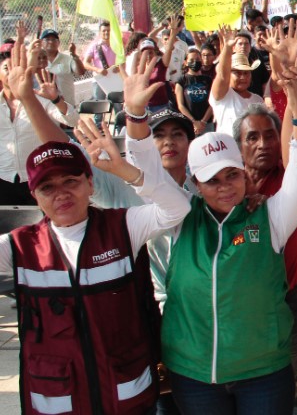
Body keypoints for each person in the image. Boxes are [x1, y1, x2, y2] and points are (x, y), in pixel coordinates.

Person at [0, 35, 191, 415]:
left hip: (191, 324)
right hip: (135, 336)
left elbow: (175, 207)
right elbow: (63, 158)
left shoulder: (209, 188)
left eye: (177, 134)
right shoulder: (119, 189)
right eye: (158, 135)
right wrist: (29, 99)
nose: (167, 143)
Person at [159, 51, 297, 414]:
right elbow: (149, 182)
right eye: (212, 180)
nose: (224, 186)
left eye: (231, 175)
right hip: (197, 374)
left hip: (264, 366)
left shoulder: (270, 212)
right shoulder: (182, 214)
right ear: (196, 185)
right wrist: (135, 121)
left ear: (242, 173)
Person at [233, 103, 297, 415]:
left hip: (290, 298)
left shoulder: (289, 176)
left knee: (293, 382)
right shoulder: (224, 186)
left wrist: (294, 95)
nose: (263, 144)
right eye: (252, 137)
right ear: (239, 145)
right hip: (241, 307)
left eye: (269, 136)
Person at [0, 23, 80, 204]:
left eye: (15, 67)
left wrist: (56, 99)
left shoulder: (37, 100)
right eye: (6, 68)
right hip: (3, 179)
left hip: (36, 179)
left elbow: (73, 121)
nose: (13, 73)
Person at [209, 26, 264, 138]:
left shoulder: (258, 100)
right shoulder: (222, 96)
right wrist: (228, 47)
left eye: (246, 73)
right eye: (237, 73)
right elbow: (222, 76)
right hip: (227, 152)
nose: (243, 77)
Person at [40, 28, 86, 106]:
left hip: (67, 106)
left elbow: (81, 72)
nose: (51, 42)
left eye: (54, 39)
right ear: (41, 42)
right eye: (47, 39)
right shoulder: (39, 60)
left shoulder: (67, 59)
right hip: (47, 107)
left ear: (58, 43)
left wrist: (74, 55)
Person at [175, 48, 214, 136]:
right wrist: (193, 121)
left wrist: (203, 121)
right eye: (191, 60)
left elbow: (213, 102)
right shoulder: (182, 80)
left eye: (197, 59)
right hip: (190, 123)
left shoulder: (208, 80)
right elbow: (180, 105)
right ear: (185, 62)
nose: (195, 62)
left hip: (207, 123)